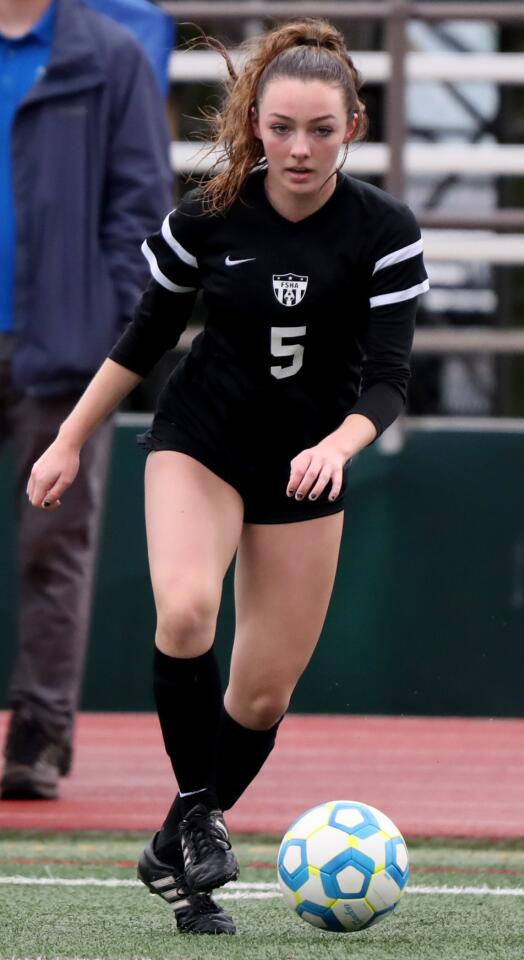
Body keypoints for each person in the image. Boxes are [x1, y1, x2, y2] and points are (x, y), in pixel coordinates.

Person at [25, 18, 428, 935]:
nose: (298, 147)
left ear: (353, 127)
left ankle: (182, 836)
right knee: (184, 611)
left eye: (320, 129)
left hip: (308, 469)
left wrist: (340, 445)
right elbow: (145, 339)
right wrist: (69, 439)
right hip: (200, 443)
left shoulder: (384, 231)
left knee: (260, 695)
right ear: (255, 124)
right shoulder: (205, 214)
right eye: (280, 126)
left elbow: (389, 378)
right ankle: (200, 821)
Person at [0, 0, 171, 800]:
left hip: (64, 347)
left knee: (53, 547)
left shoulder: (109, 54)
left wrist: (107, 322)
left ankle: (36, 739)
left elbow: (141, 202)